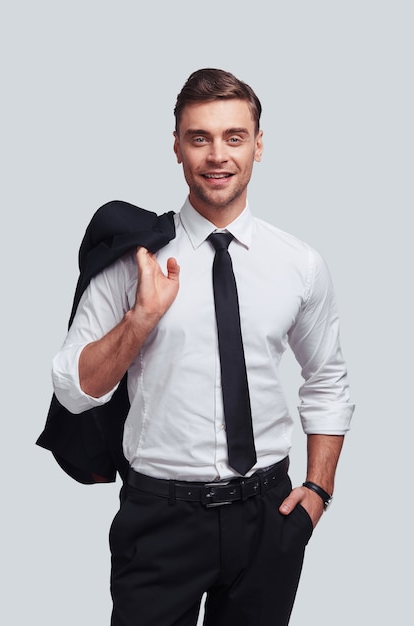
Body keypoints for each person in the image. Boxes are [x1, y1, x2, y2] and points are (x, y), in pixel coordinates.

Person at [51, 68, 354, 626]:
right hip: (159, 521)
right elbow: (73, 389)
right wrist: (139, 321)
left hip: (269, 515)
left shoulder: (299, 264)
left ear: (259, 145)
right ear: (176, 146)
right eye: (200, 138)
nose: (218, 155)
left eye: (234, 137)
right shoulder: (132, 260)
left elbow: (327, 379)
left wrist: (318, 490)